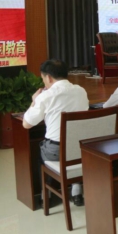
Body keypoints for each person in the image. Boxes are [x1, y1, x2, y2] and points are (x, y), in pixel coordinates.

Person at [22, 60, 89, 207]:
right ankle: (76, 192)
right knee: (73, 151)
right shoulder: (81, 91)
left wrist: (34, 101)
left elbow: (26, 124)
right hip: (81, 149)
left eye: (43, 78)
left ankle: (46, 197)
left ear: (48, 77)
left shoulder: (45, 96)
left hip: (56, 151)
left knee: (41, 151)